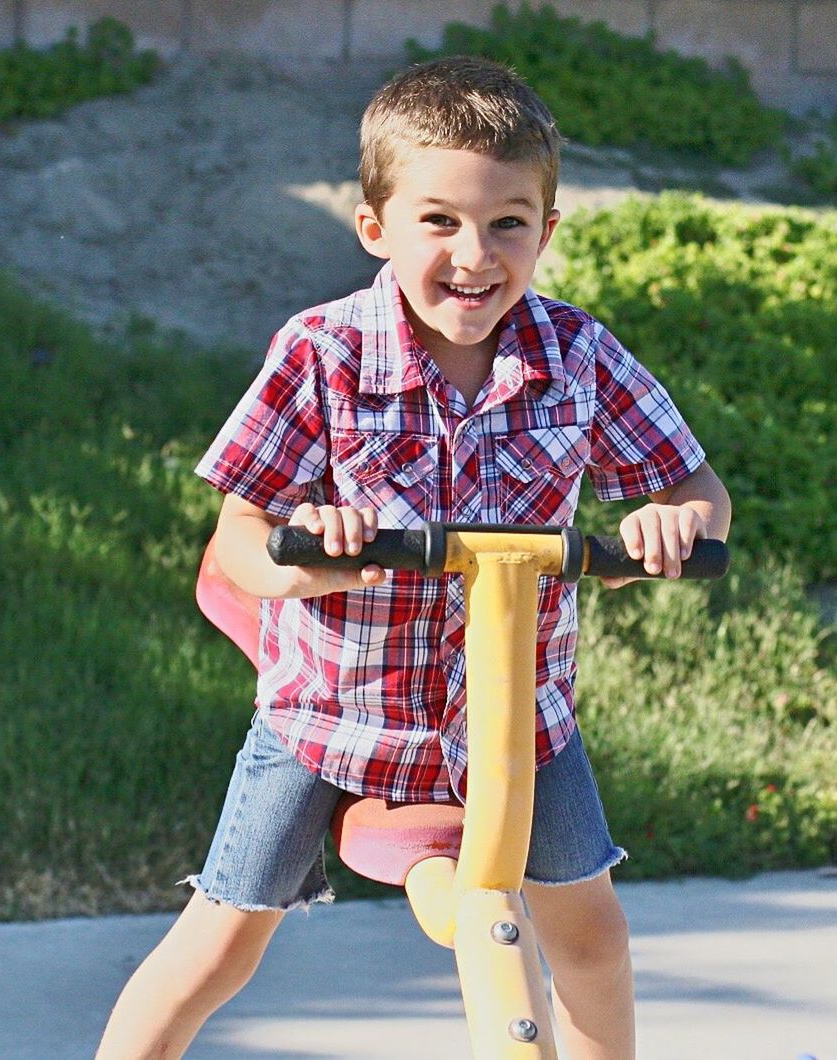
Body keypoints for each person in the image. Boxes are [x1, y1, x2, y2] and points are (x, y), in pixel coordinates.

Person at [97, 55, 731, 1060]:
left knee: (593, 940)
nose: (474, 254)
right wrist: (309, 561)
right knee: (220, 940)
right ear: (375, 228)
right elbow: (240, 543)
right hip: (330, 713)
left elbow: (695, 492)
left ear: (547, 231)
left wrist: (671, 526)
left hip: (519, 718)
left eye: (507, 223)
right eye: (438, 221)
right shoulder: (323, 353)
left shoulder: (578, 357)